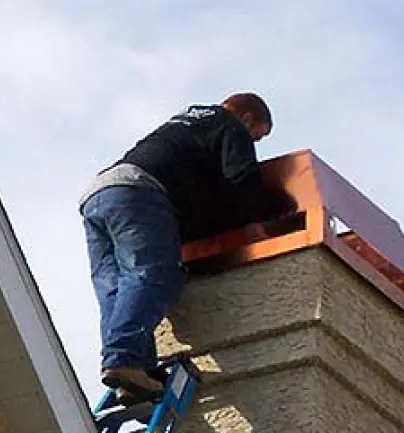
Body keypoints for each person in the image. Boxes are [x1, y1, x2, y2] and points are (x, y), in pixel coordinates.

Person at [79, 92, 272, 400]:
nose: (253, 143)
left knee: (114, 289)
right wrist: (252, 221)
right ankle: (125, 359)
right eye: (256, 137)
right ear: (247, 118)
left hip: (98, 195)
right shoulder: (228, 124)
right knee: (154, 275)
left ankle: (134, 371)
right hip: (138, 192)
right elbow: (242, 181)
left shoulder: (187, 122)